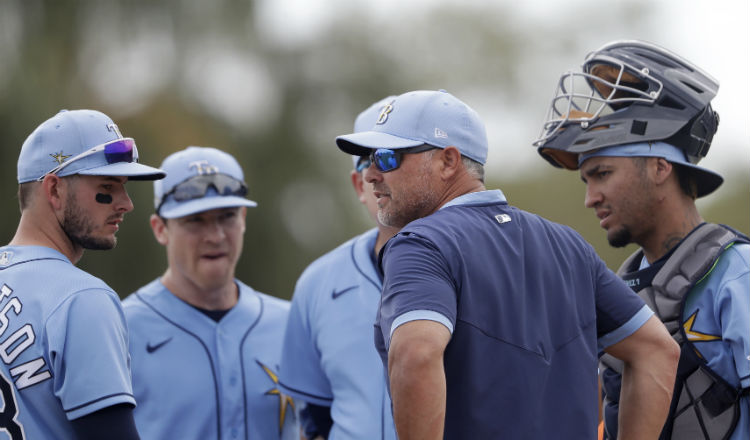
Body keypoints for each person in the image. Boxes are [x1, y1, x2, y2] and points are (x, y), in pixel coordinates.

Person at [334, 89, 681, 439]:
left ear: (448, 161)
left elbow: (417, 354)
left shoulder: (420, 244)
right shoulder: (568, 244)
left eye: (388, 157)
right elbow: (657, 349)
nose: (372, 173)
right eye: (370, 160)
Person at [533, 39, 750, 440]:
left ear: (659, 167)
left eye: (602, 174)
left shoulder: (737, 273)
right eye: (586, 180)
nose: (590, 198)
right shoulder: (616, 286)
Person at [0, 109, 165, 439]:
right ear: (55, 190)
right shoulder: (81, 299)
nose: (126, 203)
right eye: (107, 186)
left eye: (124, 186)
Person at [122, 146, 297, 440]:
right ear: (160, 229)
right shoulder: (120, 329)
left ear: (243, 218)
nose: (215, 235)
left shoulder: (292, 323)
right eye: (195, 220)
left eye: (226, 216)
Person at [279, 97, 399, 440]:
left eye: (392, 159)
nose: (380, 175)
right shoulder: (318, 282)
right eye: (369, 163)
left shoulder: (478, 266)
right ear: (358, 185)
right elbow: (313, 418)